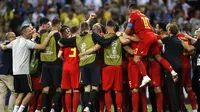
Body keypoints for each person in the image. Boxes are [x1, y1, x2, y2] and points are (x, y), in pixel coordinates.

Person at [58, 21, 119, 112]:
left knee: (86, 88)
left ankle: (87, 107)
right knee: (95, 87)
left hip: (83, 65)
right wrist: (115, 36)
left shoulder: (76, 38)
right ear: (89, 28)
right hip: (93, 64)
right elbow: (104, 41)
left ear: (80, 29)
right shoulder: (92, 35)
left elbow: (61, 41)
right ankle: (89, 106)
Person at [0, 25, 55, 112]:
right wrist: (49, 36)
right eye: (29, 31)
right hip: (24, 72)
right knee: (31, 92)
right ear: (24, 32)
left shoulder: (14, 42)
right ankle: (20, 110)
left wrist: (2, 44)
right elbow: (42, 47)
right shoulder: (27, 42)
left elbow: (4, 47)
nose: (31, 32)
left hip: (15, 73)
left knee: (21, 93)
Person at [124, 3, 177, 87]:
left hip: (145, 38)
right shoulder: (144, 16)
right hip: (152, 36)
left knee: (136, 59)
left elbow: (128, 29)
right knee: (158, 57)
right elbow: (151, 29)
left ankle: (145, 77)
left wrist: (124, 34)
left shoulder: (133, 14)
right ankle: (172, 71)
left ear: (130, 10)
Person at [40, 18, 63, 112]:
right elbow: (61, 44)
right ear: (58, 25)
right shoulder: (56, 33)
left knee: (46, 88)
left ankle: (45, 108)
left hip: (45, 63)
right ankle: (54, 108)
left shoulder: (43, 34)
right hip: (55, 63)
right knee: (59, 87)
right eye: (60, 25)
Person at [159, 23, 183, 112]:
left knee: (171, 89)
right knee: (177, 89)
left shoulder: (167, 40)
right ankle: (180, 108)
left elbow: (156, 41)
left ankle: (175, 109)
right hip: (179, 65)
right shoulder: (178, 40)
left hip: (171, 67)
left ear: (169, 31)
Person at [58, 25, 80, 112]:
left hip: (66, 66)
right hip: (75, 66)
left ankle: (69, 110)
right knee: (76, 89)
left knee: (67, 90)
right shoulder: (77, 42)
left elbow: (59, 56)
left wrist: (65, 60)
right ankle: (74, 110)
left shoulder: (64, 43)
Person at [181, 28, 200, 112]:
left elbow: (189, 48)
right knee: (194, 87)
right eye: (194, 35)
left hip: (198, 71)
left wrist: (179, 41)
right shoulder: (197, 43)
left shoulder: (198, 42)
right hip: (196, 71)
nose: (195, 36)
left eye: (198, 32)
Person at [0, 32, 17, 112]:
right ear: (10, 38)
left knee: (2, 94)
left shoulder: (2, 45)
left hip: (1, 72)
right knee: (14, 92)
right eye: (14, 37)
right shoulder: (9, 47)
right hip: (7, 72)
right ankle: (11, 110)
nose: (15, 39)